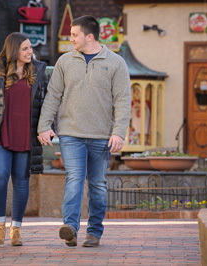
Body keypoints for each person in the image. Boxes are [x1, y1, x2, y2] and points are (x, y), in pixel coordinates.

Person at [38, 15, 131, 247]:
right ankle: (70, 227)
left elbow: (122, 100)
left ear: (89, 37)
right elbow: (52, 96)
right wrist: (44, 126)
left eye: (74, 35)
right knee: (75, 178)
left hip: (101, 136)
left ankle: (94, 232)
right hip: (70, 133)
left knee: (98, 184)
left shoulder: (116, 62)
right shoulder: (65, 62)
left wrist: (119, 131)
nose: (71, 39)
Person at [0, 32, 48, 246]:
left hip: (26, 136)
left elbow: (45, 104)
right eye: (25, 48)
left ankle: (16, 229)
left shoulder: (38, 71)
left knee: (21, 181)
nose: (30, 52)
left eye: (31, 48)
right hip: (1, 135)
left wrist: (46, 128)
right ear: (14, 50)